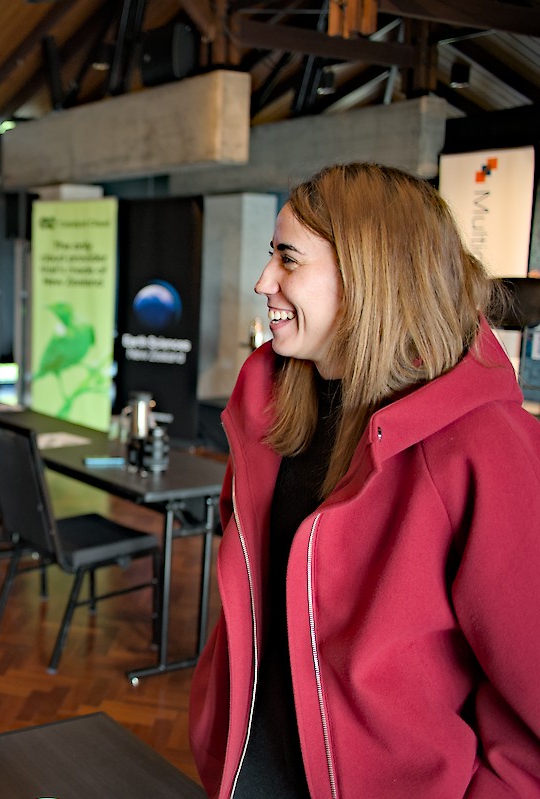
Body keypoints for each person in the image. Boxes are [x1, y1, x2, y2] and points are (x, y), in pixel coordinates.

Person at [189, 162, 540, 797]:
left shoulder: (485, 446)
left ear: (368, 274)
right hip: (247, 773)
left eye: (288, 259)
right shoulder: (269, 405)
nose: (263, 281)